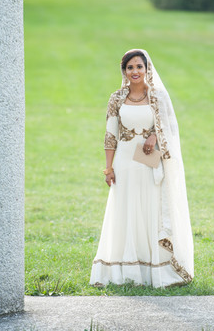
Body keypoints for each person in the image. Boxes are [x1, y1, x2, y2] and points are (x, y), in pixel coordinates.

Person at [89, 49, 194, 288]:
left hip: (148, 162)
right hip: (124, 162)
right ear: (124, 71)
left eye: (139, 67)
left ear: (147, 69)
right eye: (130, 67)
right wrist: (108, 169)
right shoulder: (116, 98)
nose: (135, 71)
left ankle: (153, 271)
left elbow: (169, 126)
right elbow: (110, 135)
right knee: (125, 211)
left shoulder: (157, 96)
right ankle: (124, 271)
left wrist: (154, 136)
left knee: (149, 210)